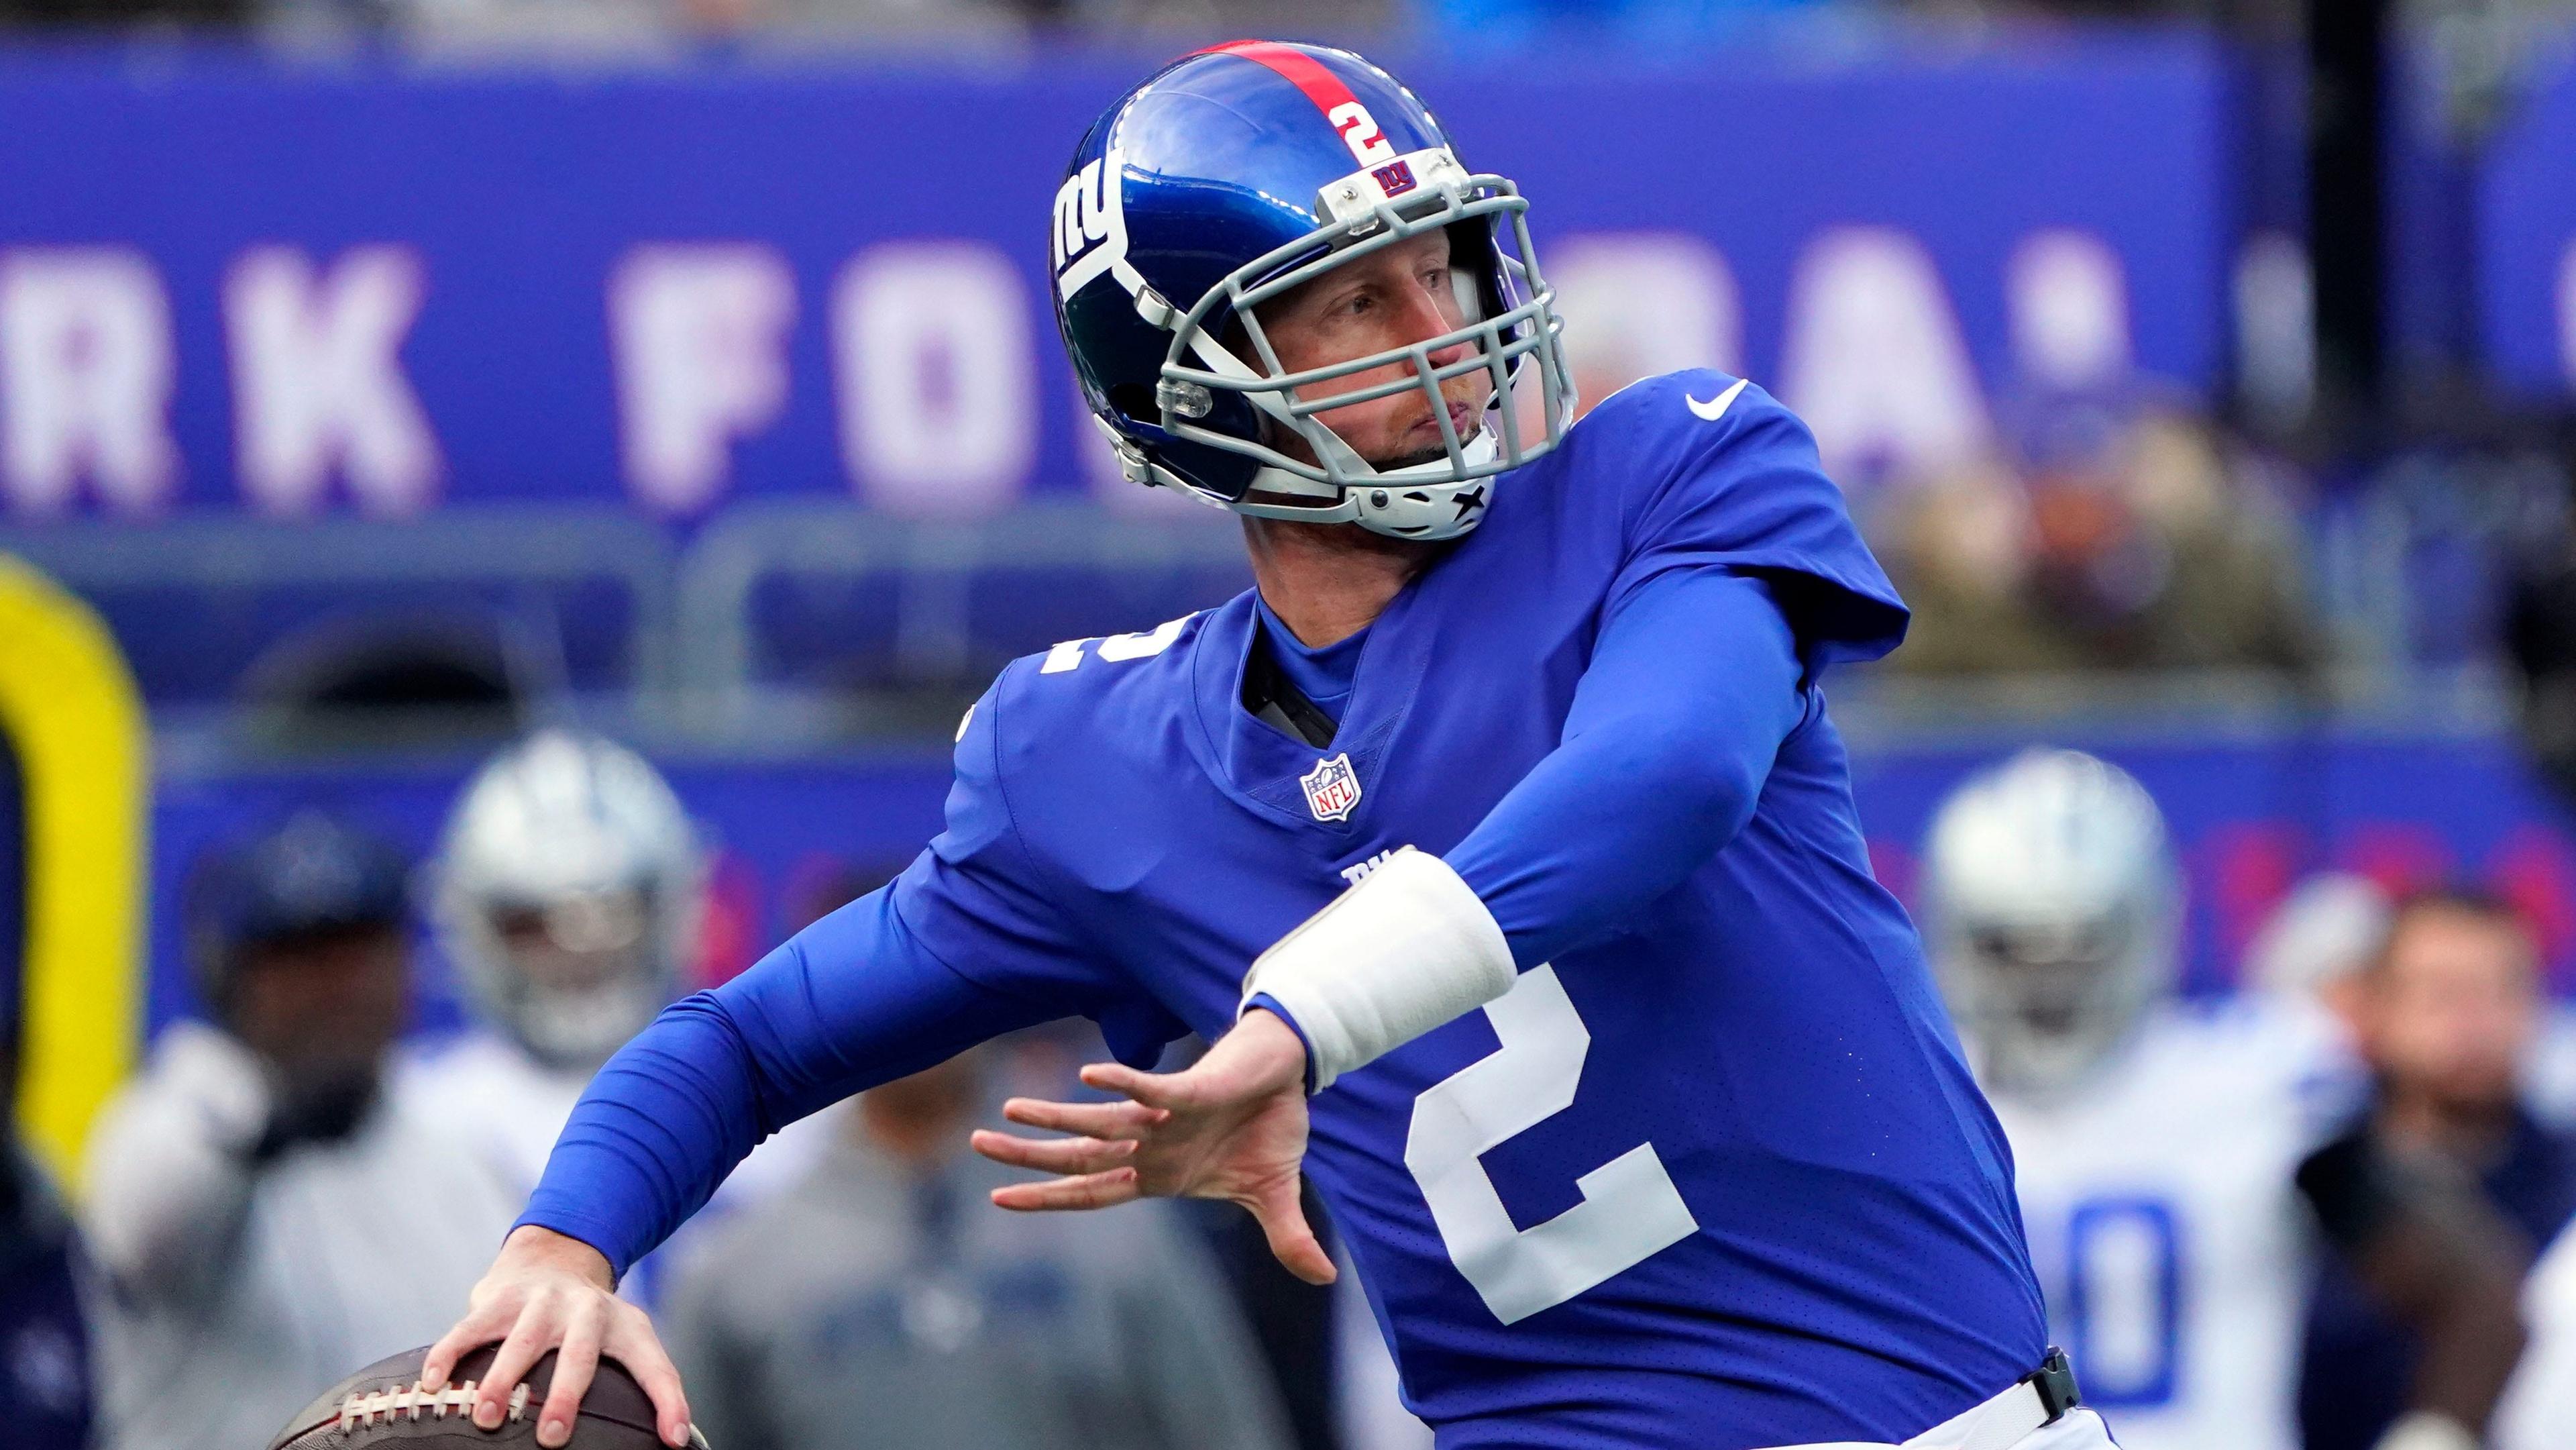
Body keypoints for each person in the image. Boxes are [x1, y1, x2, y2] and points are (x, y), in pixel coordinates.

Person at [430, 41, 2098, 1450]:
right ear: (1191, 383)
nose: (1434, 317)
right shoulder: (1092, 759)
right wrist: (566, 1236)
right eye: (1348, 298)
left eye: (1433, 260)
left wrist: (1298, 1019)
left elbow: (1665, 778)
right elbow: (743, 1040)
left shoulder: (1663, 475)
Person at [1923, 754, 2528, 1450]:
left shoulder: (2256, 1080)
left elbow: (2478, 1293)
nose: (2050, 985)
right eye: (2013, 950)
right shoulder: (1923, 1100)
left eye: (2082, 950)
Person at [83, 813, 520, 1450]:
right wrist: (264, 1128)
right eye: (299, 957)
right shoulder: (174, 1114)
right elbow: (145, 1229)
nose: (335, 987)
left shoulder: (455, 1147)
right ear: (228, 976)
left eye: (356, 950)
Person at [663, 1046, 1295, 1450]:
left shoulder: (1116, 1212)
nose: (913, 1018)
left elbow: (1225, 1427)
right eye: (879, 991)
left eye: (937, 981)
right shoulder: (740, 1266)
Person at [407, 729, 818, 1302]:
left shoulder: (784, 1108)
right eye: (534, 924)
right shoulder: (420, 1114)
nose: (579, 954)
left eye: (615, 914)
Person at [2299, 888, 2576, 1450]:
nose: (2475, 1023)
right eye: (2441, 995)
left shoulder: (2570, 1185)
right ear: (2372, 1009)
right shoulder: (2306, 1175)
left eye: (2503, 992)